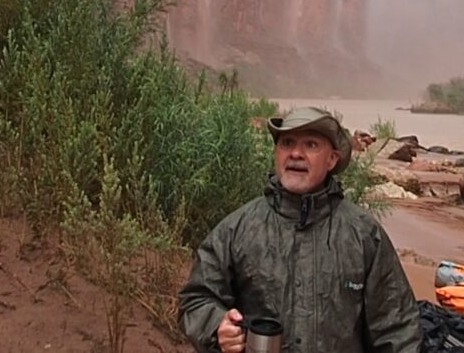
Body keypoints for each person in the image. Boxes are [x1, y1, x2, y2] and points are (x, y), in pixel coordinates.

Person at [178, 106, 422, 353]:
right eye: (287, 143)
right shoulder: (237, 228)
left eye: (311, 145)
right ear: (276, 153)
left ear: (332, 159)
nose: (296, 153)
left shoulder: (364, 235)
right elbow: (196, 300)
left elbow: (398, 331)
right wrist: (216, 326)